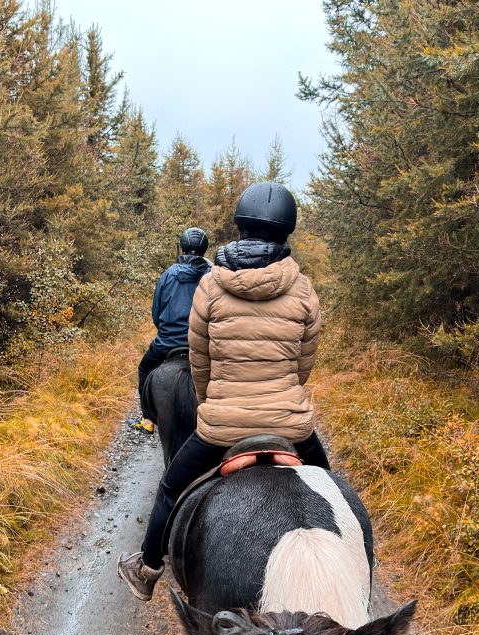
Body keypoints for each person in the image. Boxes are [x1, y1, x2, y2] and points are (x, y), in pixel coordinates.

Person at [118, 182, 330, 600]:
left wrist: (212, 402)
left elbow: (199, 360)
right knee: (332, 489)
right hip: (290, 424)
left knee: (170, 487)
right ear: (286, 233)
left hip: (221, 426)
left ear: (239, 227)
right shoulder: (303, 289)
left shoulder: (212, 286)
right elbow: (304, 362)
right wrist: (283, 397)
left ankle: (147, 568)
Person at [128, 227, 211, 434]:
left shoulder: (168, 275)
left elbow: (156, 312)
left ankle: (147, 420)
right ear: (204, 250)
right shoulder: (212, 276)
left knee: (144, 369)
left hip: (167, 343)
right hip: (201, 344)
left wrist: (167, 332)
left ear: (182, 249)